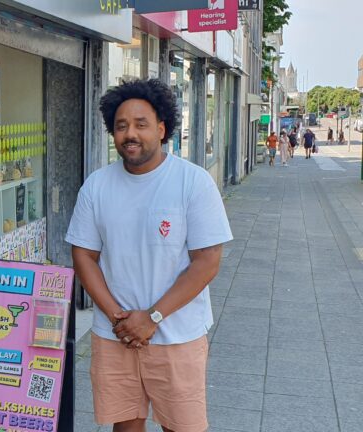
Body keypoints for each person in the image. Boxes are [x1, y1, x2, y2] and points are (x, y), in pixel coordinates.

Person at [66, 79, 232, 432]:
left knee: (182, 427)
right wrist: (118, 318)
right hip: (115, 335)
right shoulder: (97, 185)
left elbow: (207, 261)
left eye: (141, 124)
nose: (130, 134)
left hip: (178, 336)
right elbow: (83, 256)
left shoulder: (193, 182)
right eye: (121, 125)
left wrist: (153, 317)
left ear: (161, 129)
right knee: (125, 427)